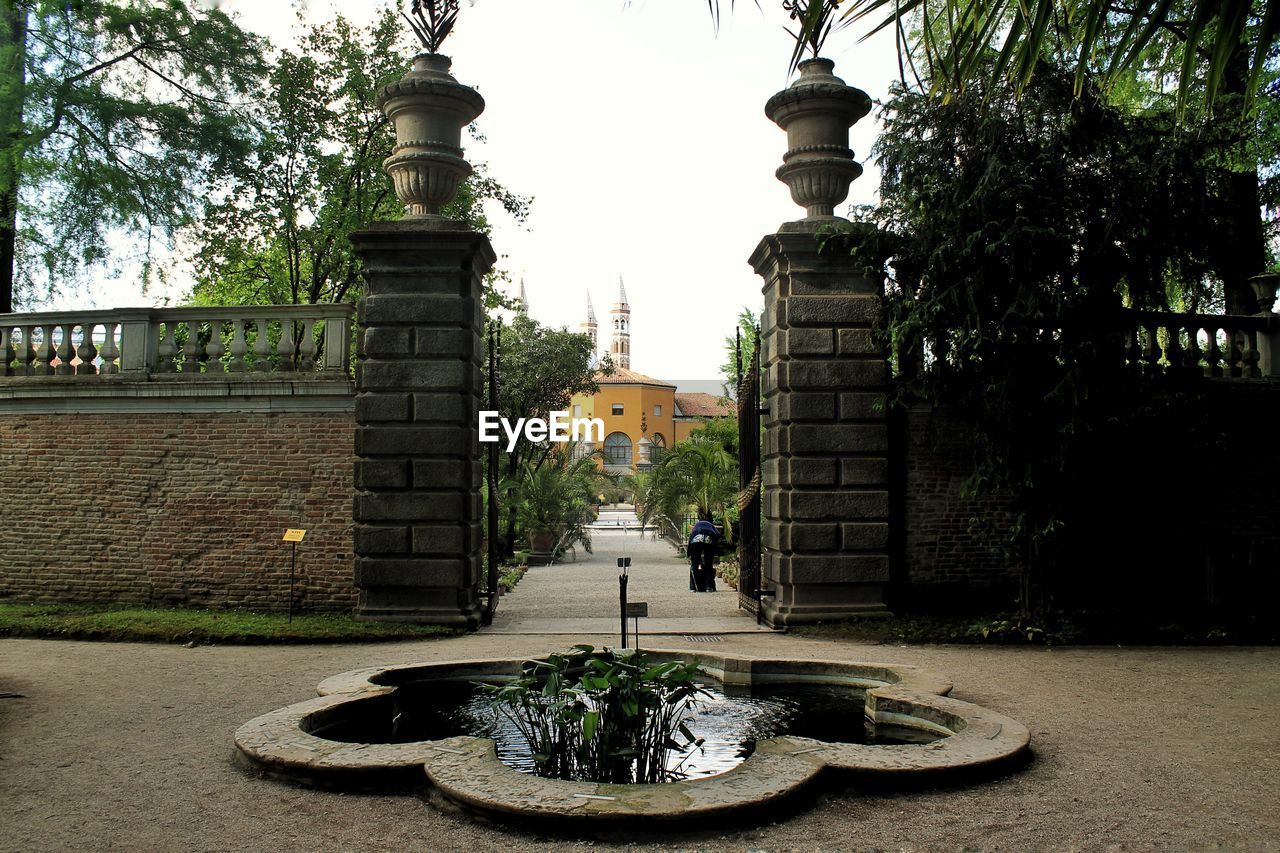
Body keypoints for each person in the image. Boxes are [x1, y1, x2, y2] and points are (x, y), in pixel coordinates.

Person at [686, 514, 719, 593]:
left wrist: (690, 554)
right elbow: (717, 535)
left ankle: (693, 587)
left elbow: (691, 538)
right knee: (708, 563)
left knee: (694, 564)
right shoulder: (711, 526)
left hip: (696, 540)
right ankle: (708, 586)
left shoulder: (696, 526)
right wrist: (714, 551)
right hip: (709, 539)